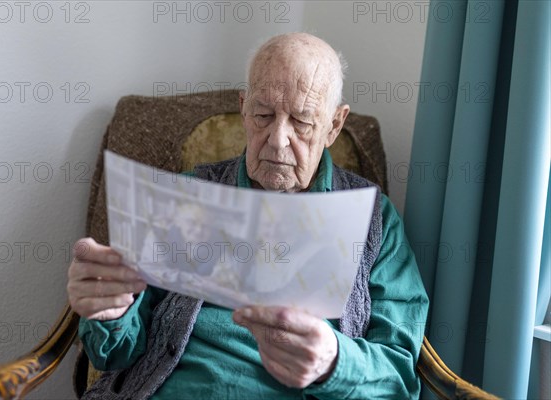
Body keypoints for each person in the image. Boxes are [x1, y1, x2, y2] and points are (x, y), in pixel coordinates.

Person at [67, 32, 429, 399]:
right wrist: (109, 312)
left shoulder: (374, 221)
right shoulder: (189, 195)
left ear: (334, 125)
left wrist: (333, 361)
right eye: (263, 115)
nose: (277, 139)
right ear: (244, 108)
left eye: (302, 121)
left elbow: (398, 376)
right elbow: (115, 353)